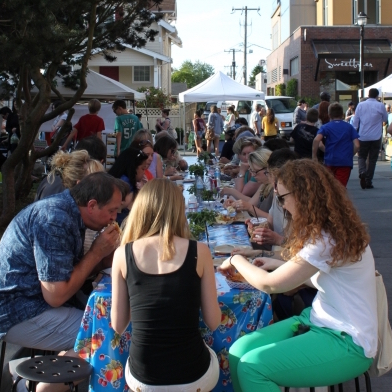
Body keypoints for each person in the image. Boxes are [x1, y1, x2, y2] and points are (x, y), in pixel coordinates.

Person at [218, 159, 377, 392]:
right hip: (319, 320)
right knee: (237, 352)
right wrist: (274, 262)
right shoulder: (331, 229)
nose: (281, 206)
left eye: (282, 198)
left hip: (348, 341)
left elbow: (270, 285)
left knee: (252, 367)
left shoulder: (326, 238)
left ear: (303, 196)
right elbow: (322, 275)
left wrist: (235, 260)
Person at [0, 172, 123, 362]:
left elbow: (66, 273)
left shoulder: (66, 211)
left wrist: (102, 262)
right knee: (106, 335)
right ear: (91, 205)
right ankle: (31, 387)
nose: (115, 217)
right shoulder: (54, 219)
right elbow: (55, 295)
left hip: (32, 301)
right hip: (17, 309)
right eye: (112, 211)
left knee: (104, 323)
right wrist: (96, 253)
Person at [111, 179, 221, 392]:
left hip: (144, 377)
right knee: (213, 355)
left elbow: (118, 325)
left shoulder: (122, 254)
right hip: (193, 375)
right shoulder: (200, 251)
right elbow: (213, 322)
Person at [312, 103, 359, 187]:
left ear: (329, 115)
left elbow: (317, 140)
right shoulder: (349, 127)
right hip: (345, 162)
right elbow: (357, 145)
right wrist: (351, 154)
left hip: (330, 160)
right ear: (342, 114)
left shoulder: (325, 127)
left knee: (330, 186)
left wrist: (314, 156)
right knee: (340, 187)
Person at [352, 88, 388, 189]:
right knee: (372, 159)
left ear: (368, 94)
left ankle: (362, 171)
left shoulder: (361, 105)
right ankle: (368, 180)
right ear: (377, 95)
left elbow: (356, 121)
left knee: (361, 156)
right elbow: (385, 118)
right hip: (376, 136)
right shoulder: (380, 105)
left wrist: (354, 133)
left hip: (363, 135)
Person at [35, 149, 104, 201]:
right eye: (96, 181)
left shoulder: (51, 180)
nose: (101, 187)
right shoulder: (62, 205)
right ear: (79, 183)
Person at [223, 148, 273, 217]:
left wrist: (249, 208)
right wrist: (237, 204)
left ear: (267, 169)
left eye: (255, 171)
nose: (253, 175)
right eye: (251, 171)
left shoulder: (276, 189)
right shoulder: (264, 184)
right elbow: (252, 202)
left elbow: (275, 221)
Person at [108, 147, 149, 222]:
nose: (144, 172)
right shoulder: (125, 183)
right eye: (143, 169)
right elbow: (120, 208)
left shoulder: (120, 179)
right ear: (133, 168)